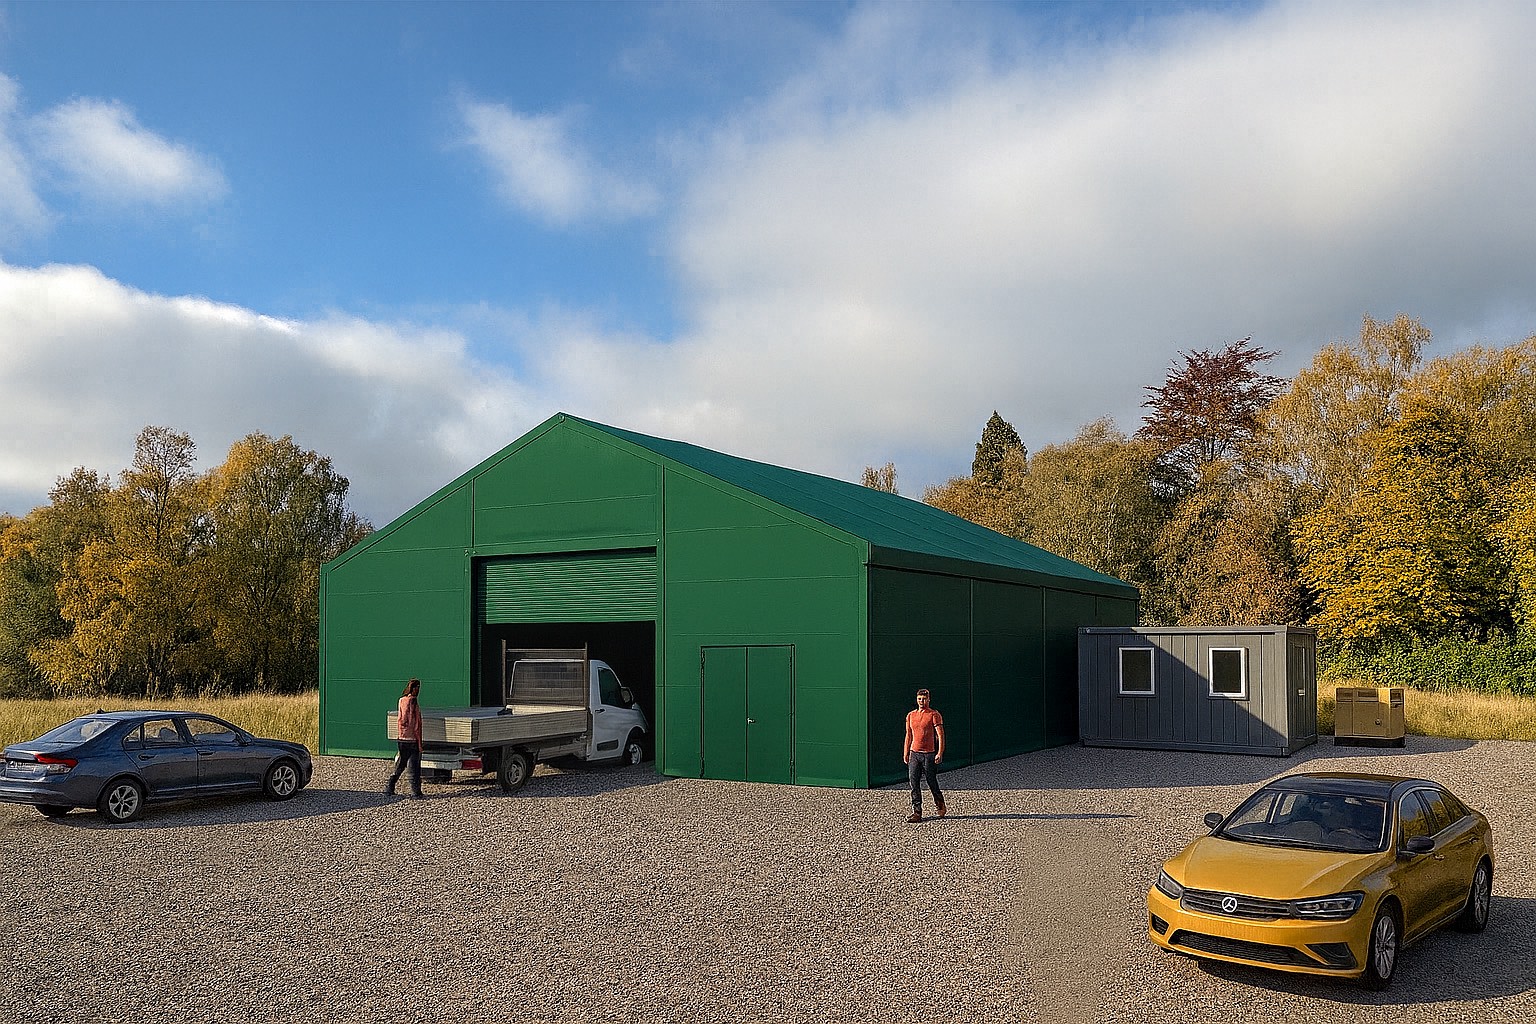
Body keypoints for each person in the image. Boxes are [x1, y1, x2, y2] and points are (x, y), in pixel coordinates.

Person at [903, 688, 946, 823]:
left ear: (929, 699)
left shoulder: (934, 714)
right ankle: (917, 812)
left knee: (931, 780)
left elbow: (940, 735)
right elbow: (908, 735)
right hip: (914, 753)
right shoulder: (911, 715)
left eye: (924, 699)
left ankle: (939, 803)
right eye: (919, 699)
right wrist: (906, 752)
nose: (922, 701)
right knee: (914, 782)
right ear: (916, 700)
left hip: (928, 754)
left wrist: (939, 752)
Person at [386, 677, 424, 799]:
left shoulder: (401, 700)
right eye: (418, 688)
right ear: (415, 688)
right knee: (414, 767)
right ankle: (416, 792)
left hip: (402, 738)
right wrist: (419, 744)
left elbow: (400, 719)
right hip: (412, 739)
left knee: (401, 764)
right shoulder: (413, 701)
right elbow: (416, 724)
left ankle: (390, 786)